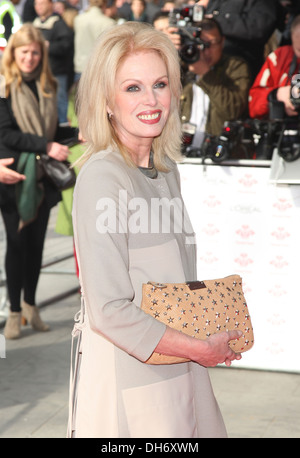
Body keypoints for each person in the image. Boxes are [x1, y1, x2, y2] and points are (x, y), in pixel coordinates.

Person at [67, 21, 242, 438]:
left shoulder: (165, 172)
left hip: (182, 367)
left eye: (160, 84)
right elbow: (109, 309)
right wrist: (200, 348)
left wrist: (207, 335)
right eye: (132, 88)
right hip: (130, 381)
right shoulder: (103, 178)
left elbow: (173, 283)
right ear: (106, 101)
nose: (151, 100)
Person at [0, 23, 78, 339]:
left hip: (42, 177)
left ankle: (32, 305)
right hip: (14, 176)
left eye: (34, 52)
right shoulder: (4, 87)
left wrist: (74, 134)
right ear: (13, 54)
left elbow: (49, 132)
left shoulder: (48, 86)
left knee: (35, 246)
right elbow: (6, 133)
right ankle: (14, 313)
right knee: (16, 244)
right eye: (24, 52)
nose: (29, 58)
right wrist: (46, 146)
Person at [180, 18, 251, 150]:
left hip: (219, 153)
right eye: (200, 44)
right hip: (180, 153)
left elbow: (232, 111)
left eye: (211, 44)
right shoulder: (181, 65)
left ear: (222, 42)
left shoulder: (235, 66)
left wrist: (206, 74)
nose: (205, 51)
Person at [196, 0, 286, 82]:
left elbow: (259, 28)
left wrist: (219, 21)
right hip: (205, 65)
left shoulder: (261, 3)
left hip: (239, 70)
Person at [249, 14, 300, 120]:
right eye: (299, 50)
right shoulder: (280, 58)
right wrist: (276, 95)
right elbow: (254, 105)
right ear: (292, 39)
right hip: (284, 131)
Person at [33, 0, 74, 124]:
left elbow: (67, 46)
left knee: (60, 102)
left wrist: (48, 46)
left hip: (57, 72)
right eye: (36, 4)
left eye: (42, 3)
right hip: (39, 72)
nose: (38, 7)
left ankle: (63, 126)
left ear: (51, 4)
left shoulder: (58, 23)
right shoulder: (35, 23)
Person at [73, 0, 115, 82]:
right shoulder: (109, 23)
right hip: (99, 69)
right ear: (104, 4)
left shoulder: (78, 19)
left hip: (81, 66)